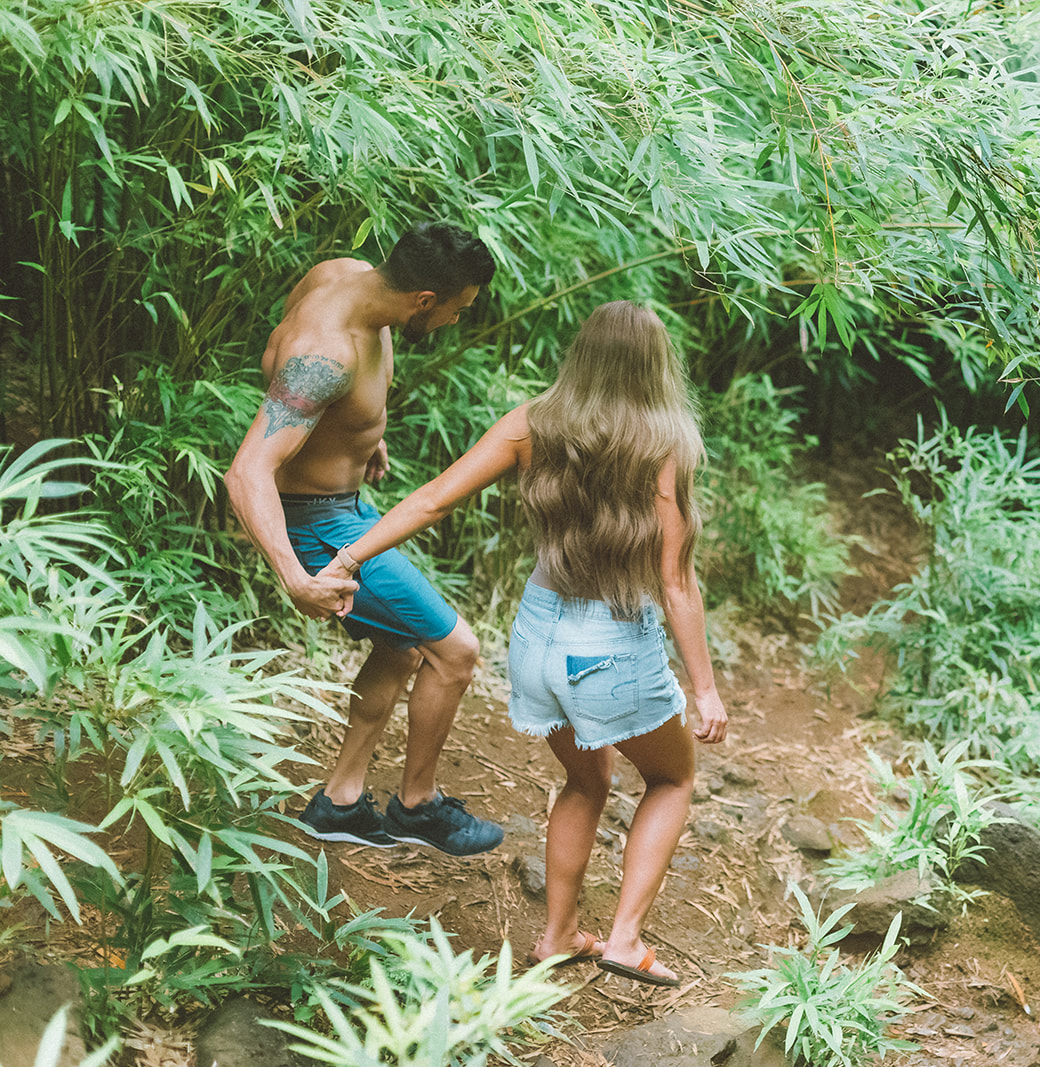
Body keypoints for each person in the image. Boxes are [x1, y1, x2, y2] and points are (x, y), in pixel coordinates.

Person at [315, 300, 727, 987]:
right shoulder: (666, 443)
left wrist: (348, 555)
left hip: (535, 641)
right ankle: (625, 938)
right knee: (672, 776)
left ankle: (559, 934)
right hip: (612, 646)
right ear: (657, 366)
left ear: (582, 358)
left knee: (586, 776)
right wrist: (706, 687)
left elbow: (434, 498)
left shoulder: (533, 424)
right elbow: (677, 583)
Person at [224, 221, 504, 857]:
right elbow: (246, 472)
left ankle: (341, 803)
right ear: (424, 302)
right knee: (455, 651)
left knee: (404, 646)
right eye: (458, 310)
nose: (458, 321)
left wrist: (359, 432)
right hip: (317, 524)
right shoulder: (327, 356)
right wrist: (296, 576)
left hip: (340, 503)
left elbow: (292, 385)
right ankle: (418, 806)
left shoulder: (342, 274)